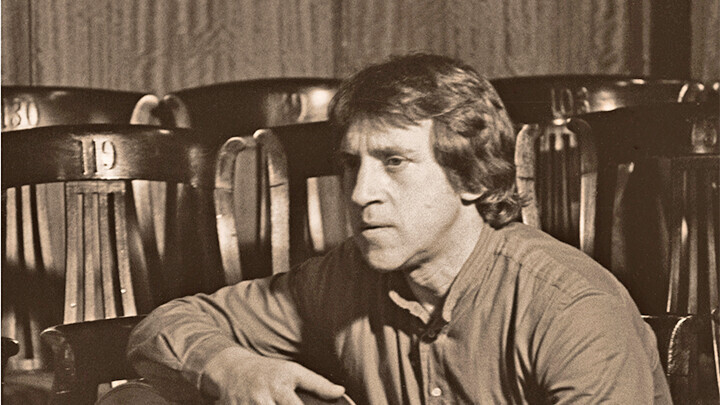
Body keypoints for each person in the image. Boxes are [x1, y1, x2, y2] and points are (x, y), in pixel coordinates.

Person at [127, 53, 671, 404]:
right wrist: (230, 367)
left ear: (472, 177)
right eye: (351, 164)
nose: (360, 193)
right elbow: (163, 327)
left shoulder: (570, 308)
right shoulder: (342, 278)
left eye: (394, 162)